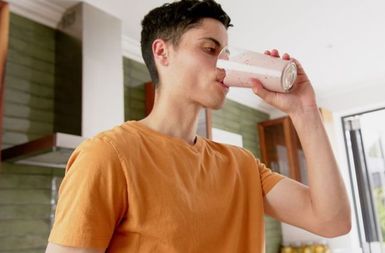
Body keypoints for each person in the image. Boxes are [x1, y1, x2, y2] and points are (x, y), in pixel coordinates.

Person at [45, 0, 351, 252]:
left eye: (226, 53)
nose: (224, 65)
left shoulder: (241, 165)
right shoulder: (107, 155)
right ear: (162, 52)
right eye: (209, 49)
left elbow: (332, 221)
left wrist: (305, 111)